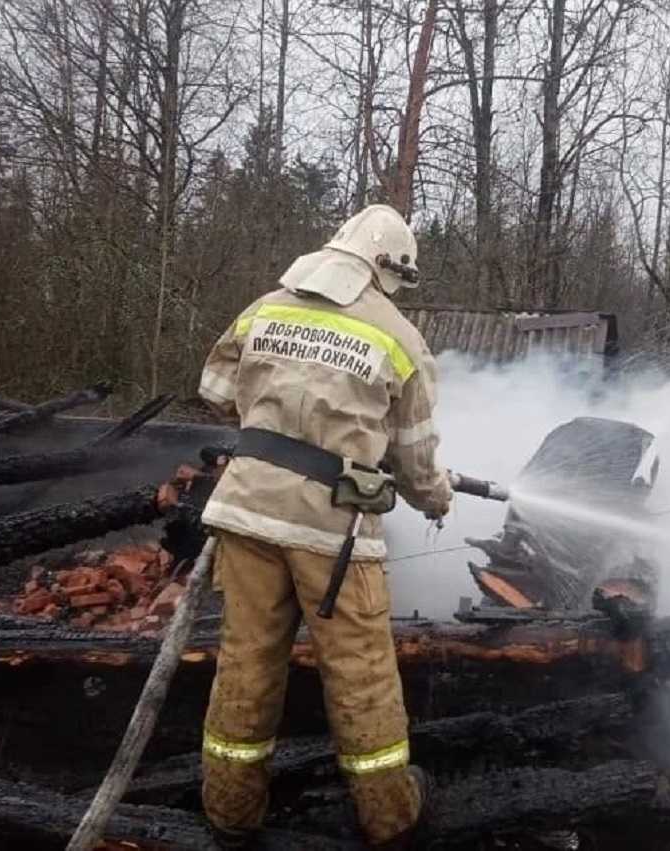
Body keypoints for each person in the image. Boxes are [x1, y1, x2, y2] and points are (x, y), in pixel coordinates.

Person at [195, 204, 454, 849]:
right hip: (330, 535)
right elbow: (417, 459)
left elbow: (216, 390)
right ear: (389, 268)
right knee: (361, 669)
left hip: (245, 513)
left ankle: (231, 812)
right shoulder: (397, 335)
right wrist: (435, 498)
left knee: (246, 662)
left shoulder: (264, 308)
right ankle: (390, 816)